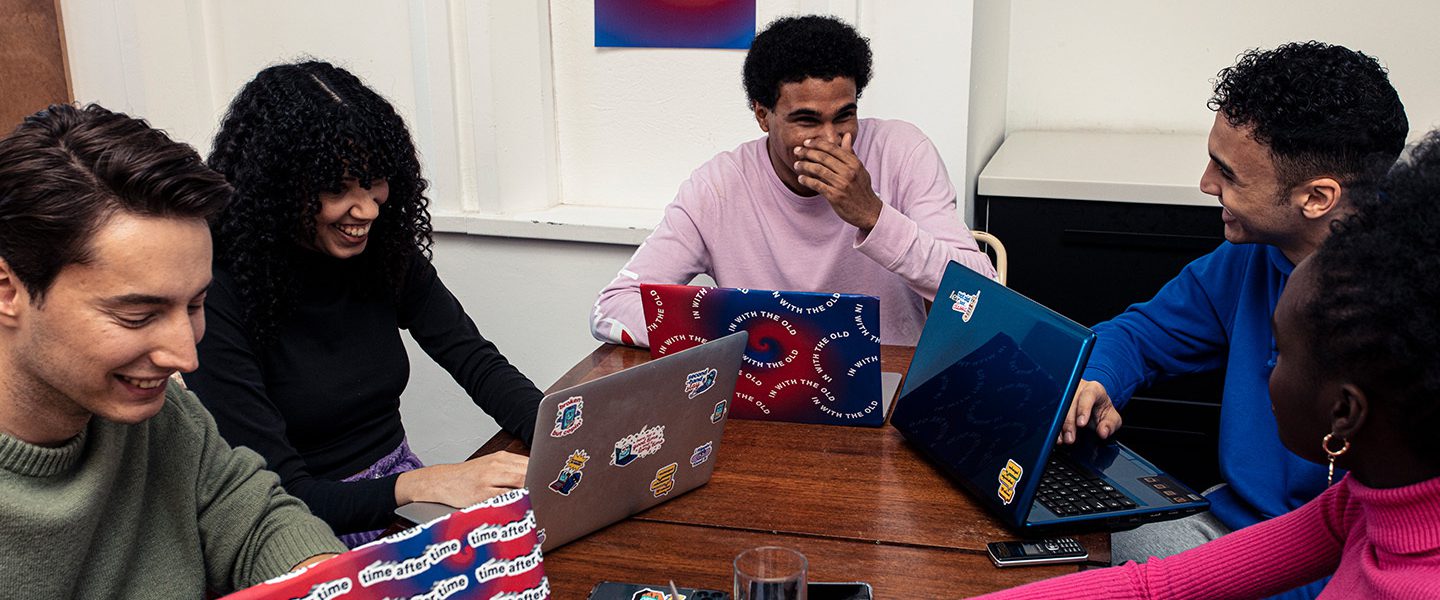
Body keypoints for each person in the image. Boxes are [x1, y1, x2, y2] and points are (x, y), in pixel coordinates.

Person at [975, 129, 1440, 600]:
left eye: (1279, 352)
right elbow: (1154, 586)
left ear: (1345, 412)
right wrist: (1097, 377)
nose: (1263, 371)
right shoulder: (1361, 504)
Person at [1056, 42, 1409, 578]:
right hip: (1232, 528)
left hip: (1338, 570)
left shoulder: (1409, 313)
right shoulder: (1254, 256)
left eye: (1230, 175)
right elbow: (1141, 333)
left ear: (1317, 197)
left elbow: (1391, 556)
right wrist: (1097, 380)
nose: (1205, 184)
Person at [186, 61, 539, 547]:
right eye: (337, 189)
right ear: (277, 190)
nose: (368, 209)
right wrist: (426, 483)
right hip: (300, 535)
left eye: (374, 180)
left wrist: (562, 430)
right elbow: (279, 497)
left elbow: (474, 359)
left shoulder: (382, 251)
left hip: (401, 504)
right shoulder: (215, 294)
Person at [0, 103, 345, 597]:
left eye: (195, 305)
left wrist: (331, 582)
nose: (185, 358)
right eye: (137, 316)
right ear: (8, 290)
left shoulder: (164, 416)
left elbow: (254, 519)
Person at [590, 15, 995, 348]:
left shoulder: (903, 151)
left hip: (890, 384)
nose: (830, 138)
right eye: (806, 120)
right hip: (769, 390)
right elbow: (612, 308)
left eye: (844, 116)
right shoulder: (718, 187)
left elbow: (981, 292)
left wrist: (873, 215)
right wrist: (737, 339)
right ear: (763, 115)